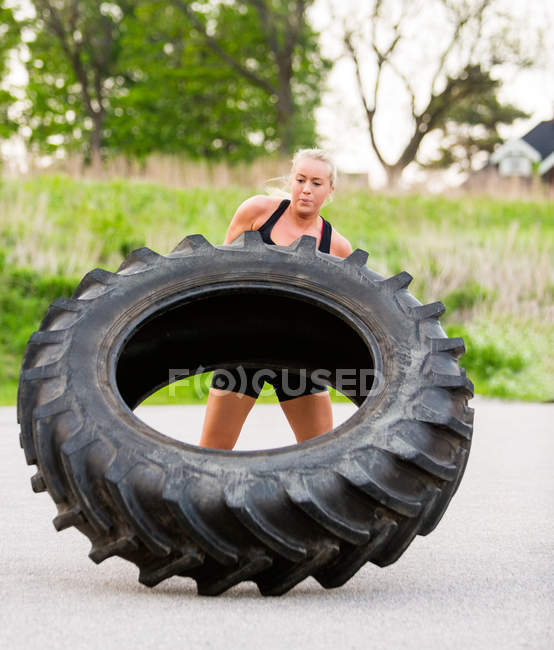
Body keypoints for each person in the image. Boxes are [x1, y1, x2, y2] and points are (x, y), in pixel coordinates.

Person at [199, 148, 353, 450]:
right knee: (212, 452)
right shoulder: (257, 212)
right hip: (244, 348)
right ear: (291, 180)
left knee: (321, 454)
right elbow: (219, 273)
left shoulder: (337, 246)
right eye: (300, 179)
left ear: (330, 190)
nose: (306, 189)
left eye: (317, 183)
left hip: (299, 357)